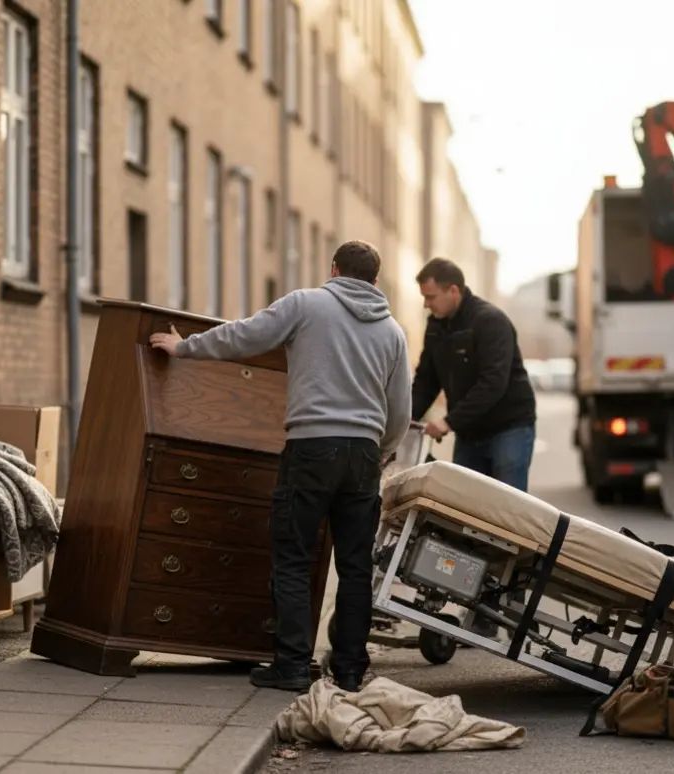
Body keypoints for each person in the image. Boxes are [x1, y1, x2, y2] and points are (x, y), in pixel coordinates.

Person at [149, 240, 412, 693]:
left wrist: (184, 347)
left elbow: (245, 335)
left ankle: (291, 665)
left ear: (333, 269)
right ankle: (349, 670)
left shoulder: (307, 304)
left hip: (312, 448)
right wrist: (383, 448)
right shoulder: (393, 331)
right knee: (353, 567)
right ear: (375, 280)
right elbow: (400, 409)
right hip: (363, 456)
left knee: (292, 556)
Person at [411, 257, 538, 491]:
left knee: (509, 510)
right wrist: (409, 416)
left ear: (453, 291)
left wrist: (449, 421)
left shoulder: (490, 322)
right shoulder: (436, 327)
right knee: (464, 511)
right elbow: (426, 380)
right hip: (469, 433)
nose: (426, 305)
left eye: (430, 297)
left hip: (509, 428)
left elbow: (492, 384)